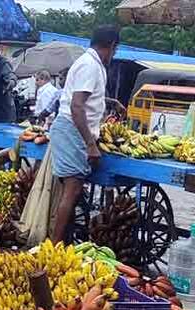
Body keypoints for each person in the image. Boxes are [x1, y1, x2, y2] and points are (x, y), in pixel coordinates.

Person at [50, 26, 126, 243]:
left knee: (71, 191)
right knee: (72, 190)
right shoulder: (90, 66)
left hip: (71, 130)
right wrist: (90, 144)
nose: (114, 53)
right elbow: (76, 106)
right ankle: (53, 248)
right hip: (72, 131)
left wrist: (110, 103)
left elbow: (83, 98)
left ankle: (61, 243)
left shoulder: (90, 64)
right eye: (115, 49)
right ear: (111, 45)